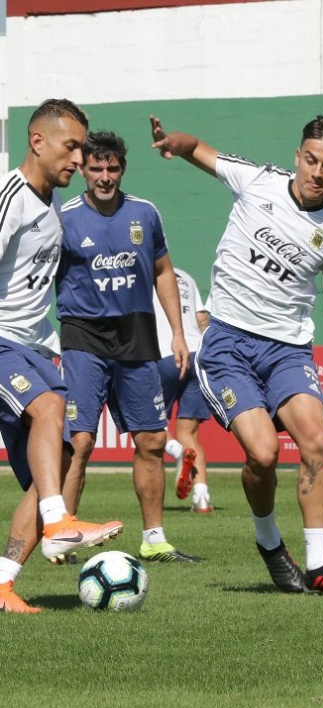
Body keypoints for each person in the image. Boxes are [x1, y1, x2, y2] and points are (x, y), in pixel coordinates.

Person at [150, 111, 323, 595]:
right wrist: (175, 140)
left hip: (288, 351)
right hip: (228, 343)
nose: (317, 173)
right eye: (311, 160)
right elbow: (198, 149)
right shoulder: (258, 182)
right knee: (264, 453)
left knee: (318, 443)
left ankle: (318, 563)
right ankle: (270, 543)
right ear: (297, 156)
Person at [0, 100, 125, 613]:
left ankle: (3, 582)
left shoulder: (51, 205)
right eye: (71, 146)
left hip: (30, 346)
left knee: (65, 453)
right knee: (51, 408)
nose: (80, 157)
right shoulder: (11, 198)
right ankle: (59, 521)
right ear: (37, 142)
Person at [56, 131, 199, 564]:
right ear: (82, 169)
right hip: (83, 337)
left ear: (123, 168)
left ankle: (154, 539)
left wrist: (177, 331)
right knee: (79, 441)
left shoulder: (144, 214)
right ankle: (63, 534)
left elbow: (163, 272)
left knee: (153, 440)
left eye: (112, 168)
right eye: (96, 168)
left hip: (137, 337)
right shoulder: (63, 218)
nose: (104, 177)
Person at [154, 265, 213, 513]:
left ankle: (178, 452)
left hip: (166, 354)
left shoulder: (144, 273)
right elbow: (202, 319)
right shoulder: (186, 276)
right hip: (197, 356)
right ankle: (202, 498)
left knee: (150, 426)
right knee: (190, 432)